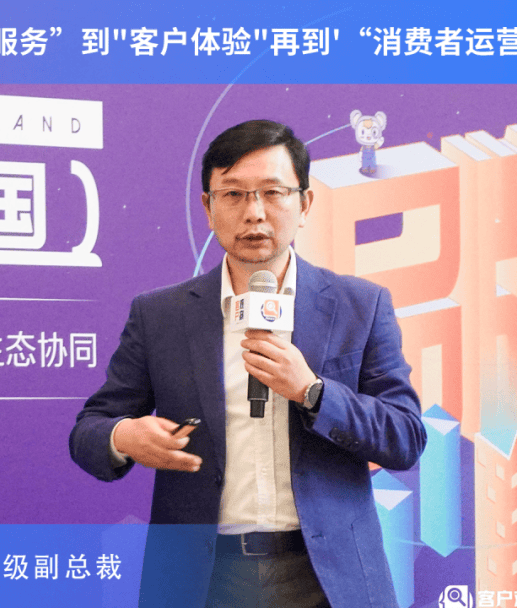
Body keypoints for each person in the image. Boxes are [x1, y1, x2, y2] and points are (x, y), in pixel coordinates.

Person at [69, 119, 426, 608]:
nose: (254, 212)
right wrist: (123, 437)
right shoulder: (160, 315)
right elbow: (89, 430)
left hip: (328, 578)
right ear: (208, 207)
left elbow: (405, 437)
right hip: (203, 577)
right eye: (233, 195)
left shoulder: (360, 306)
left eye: (273, 193)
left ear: (304, 204)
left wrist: (313, 392)